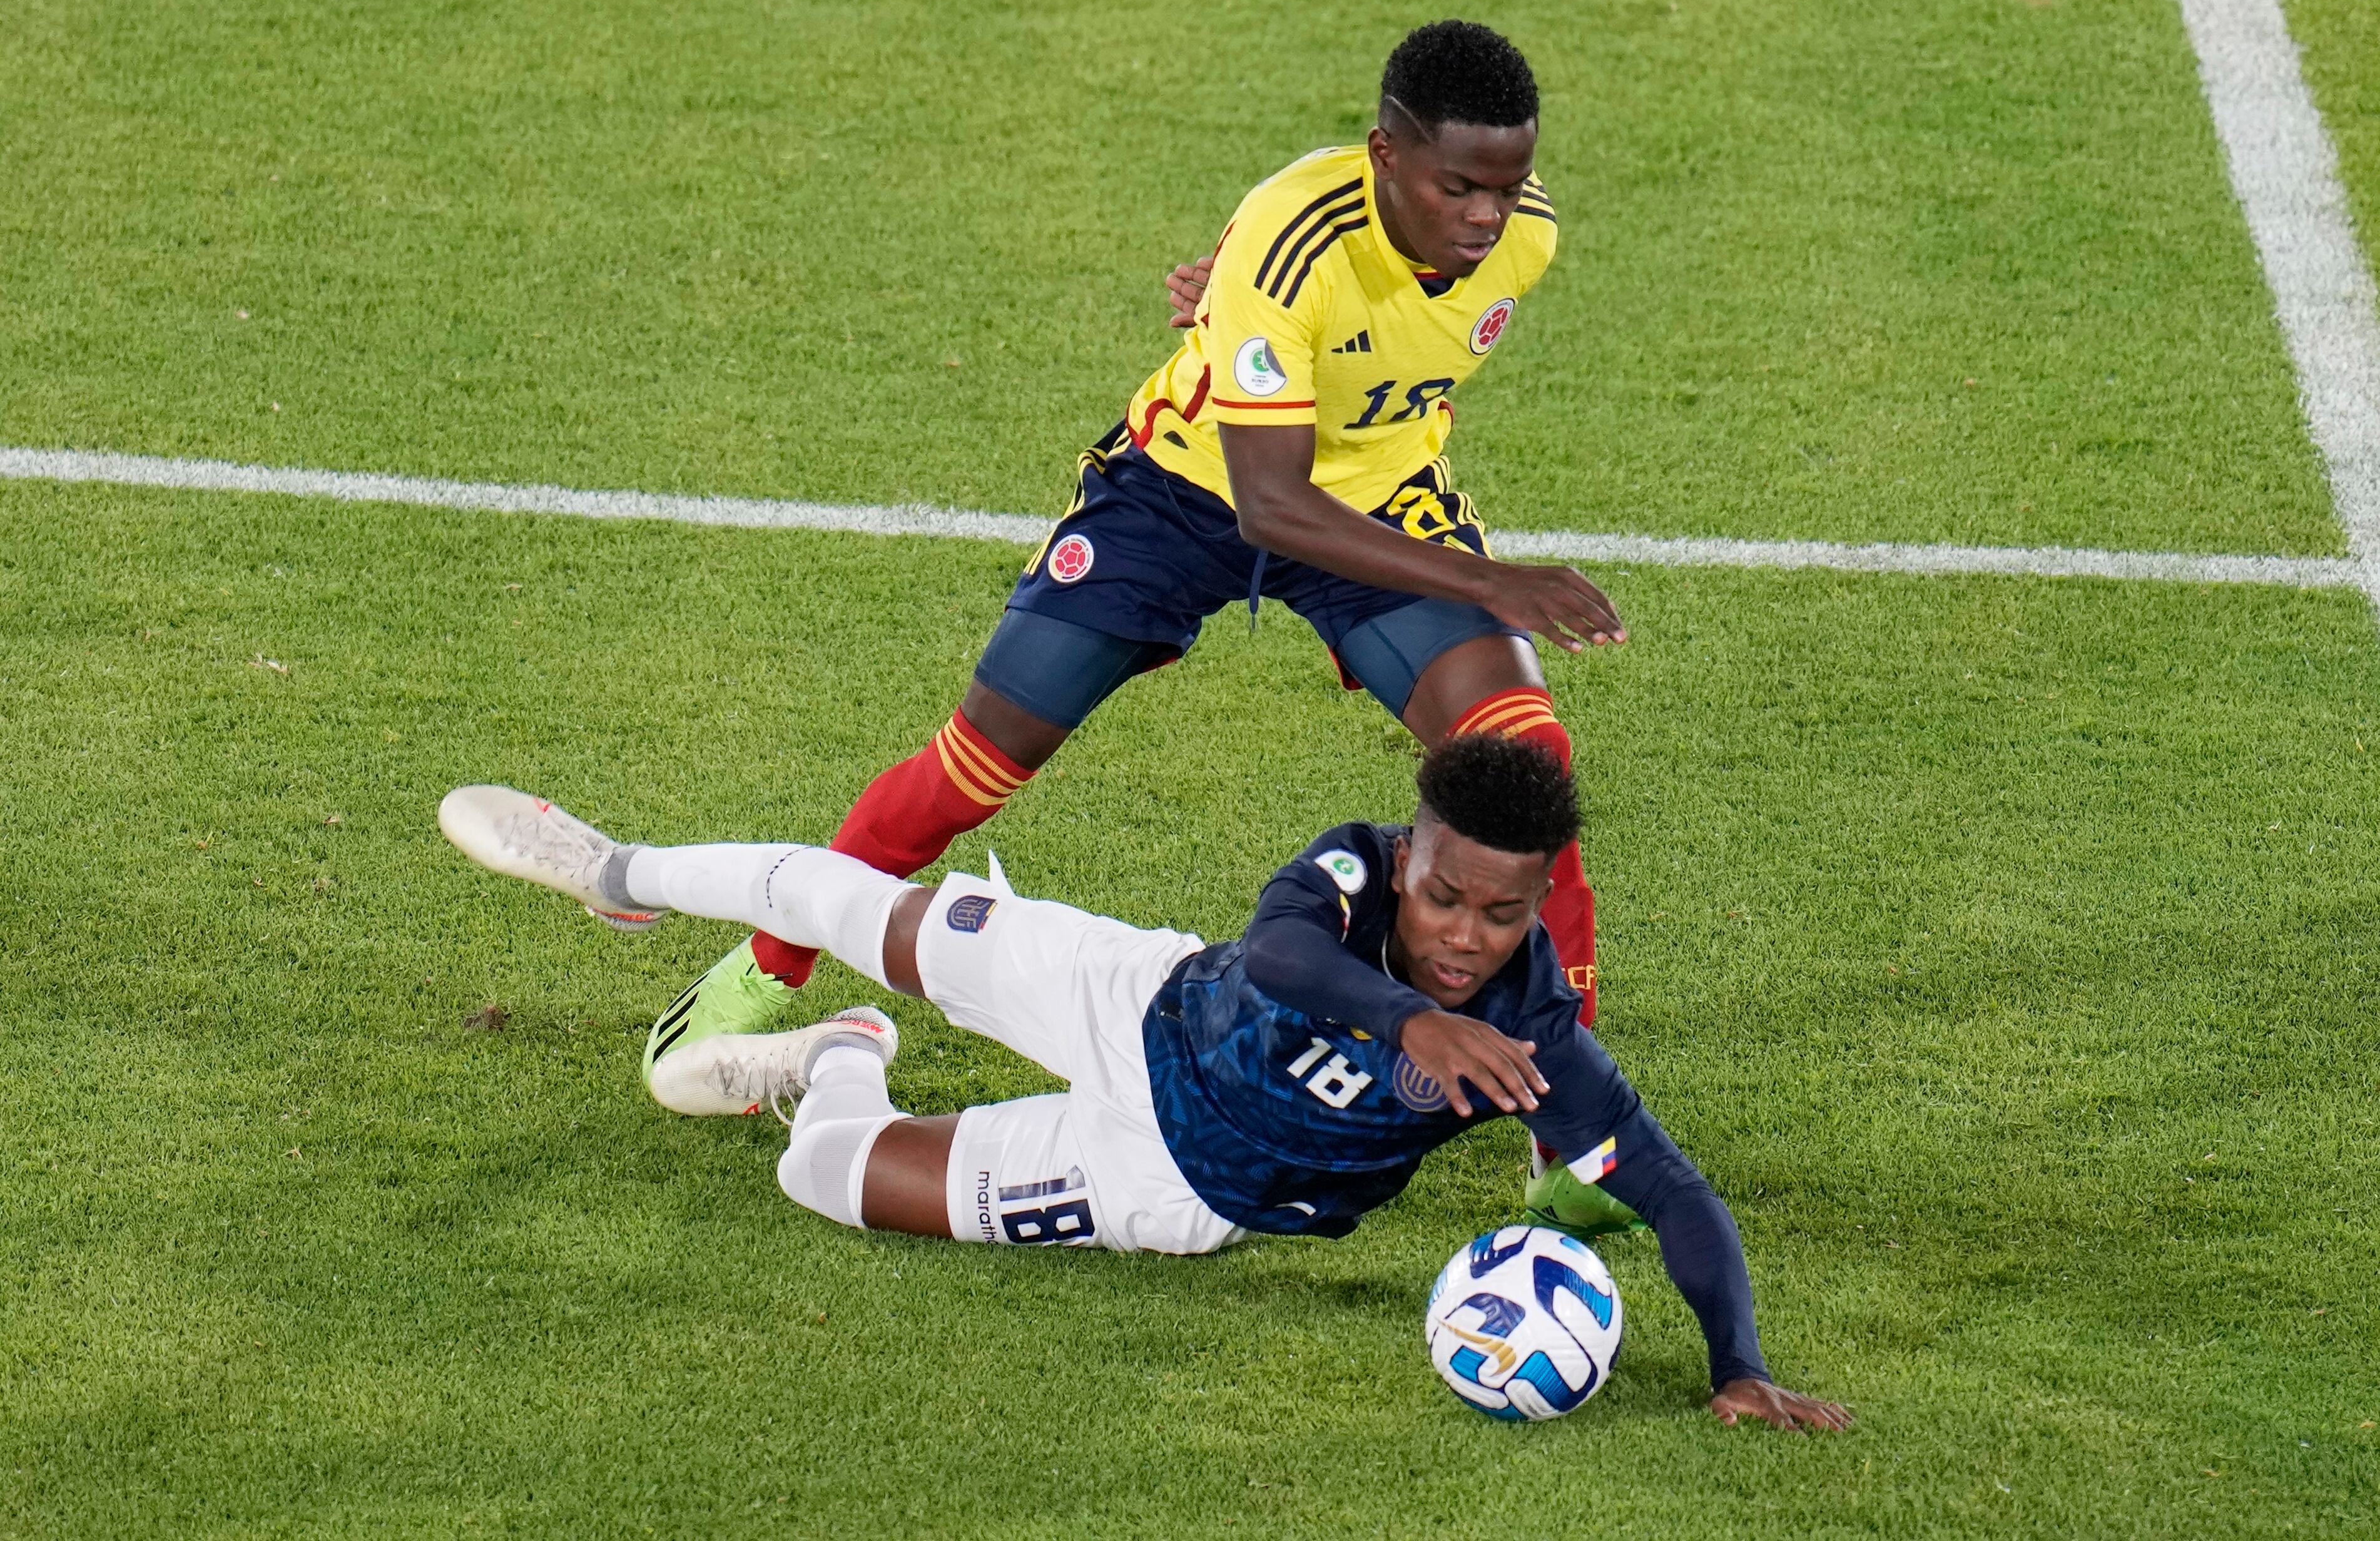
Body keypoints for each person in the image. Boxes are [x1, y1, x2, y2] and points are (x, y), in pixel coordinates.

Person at [653, 19, 1627, 1117]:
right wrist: (1491, 580)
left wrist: (1240, 306)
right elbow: (1271, 502)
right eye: (1460, 188)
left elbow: (1359, 332)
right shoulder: (1293, 238)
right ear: (1384, 156)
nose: (1487, 217)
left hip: (1379, 498)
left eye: (1506, 186)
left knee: (1526, 766)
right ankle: (765, 966)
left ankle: (1571, 1116)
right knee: (980, 760)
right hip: (1183, 494)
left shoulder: (1522, 237)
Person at [435, 738, 1849, 1431]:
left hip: (1173, 1185)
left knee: (825, 1176)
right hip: (1130, 995)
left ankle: (838, 1053)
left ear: (1539, 902)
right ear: (1410, 855)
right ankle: (611, 869)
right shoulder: (1348, 871)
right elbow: (1288, 954)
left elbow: (1671, 1193)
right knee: (838, 888)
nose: (1467, 935)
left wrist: (1740, 1366)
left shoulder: (1540, 1041)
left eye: (1501, 914)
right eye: (1446, 895)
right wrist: (1409, 1027)